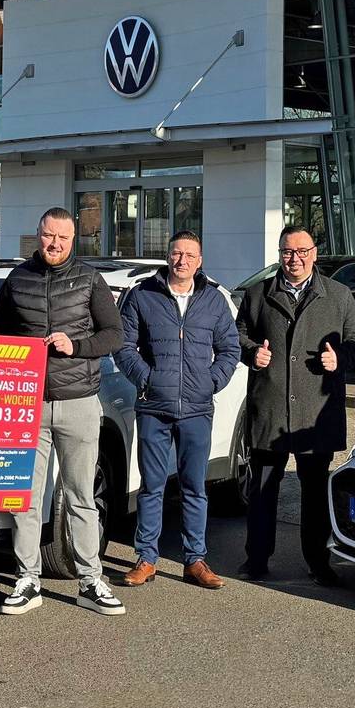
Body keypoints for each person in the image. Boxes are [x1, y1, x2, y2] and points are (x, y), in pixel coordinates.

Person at [0, 207, 125, 616]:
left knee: (81, 495)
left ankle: (90, 580)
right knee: (26, 499)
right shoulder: (17, 280)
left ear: (73, 240)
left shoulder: (89, 279)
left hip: (79, 402)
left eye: (63, 238)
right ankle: (27, 578)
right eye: (49, 236)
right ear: (38, 234)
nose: (54, 244)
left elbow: (114, 335)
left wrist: (76, 346)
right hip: (25, 405)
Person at [234, 226, 355, 586]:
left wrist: (340, 358)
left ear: (314, 253)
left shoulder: (338, 295)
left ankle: (318, 562)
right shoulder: (258, 294)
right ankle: (256, 560)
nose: (295, 259)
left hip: (315, 411)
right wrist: (251, 353)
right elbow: (239, 333)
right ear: (280, 254)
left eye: (302, 251)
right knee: (261, 491)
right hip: (271, 407)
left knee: (314, 493)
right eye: (288, 252)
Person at [114, 231, 240, 590]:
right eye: (176, 253)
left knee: (194, 487)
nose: (181, 260)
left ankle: (195, 559)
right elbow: (124, 346)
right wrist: (147, 379)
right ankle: (147, 558)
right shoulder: (142, 295)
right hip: (154, 405)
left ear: (199, 261)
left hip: (198, 408)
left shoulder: (213, 300)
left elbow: (230, 348)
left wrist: (211, 381)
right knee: (151, 486)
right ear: (167, 257)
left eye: (189, 255)